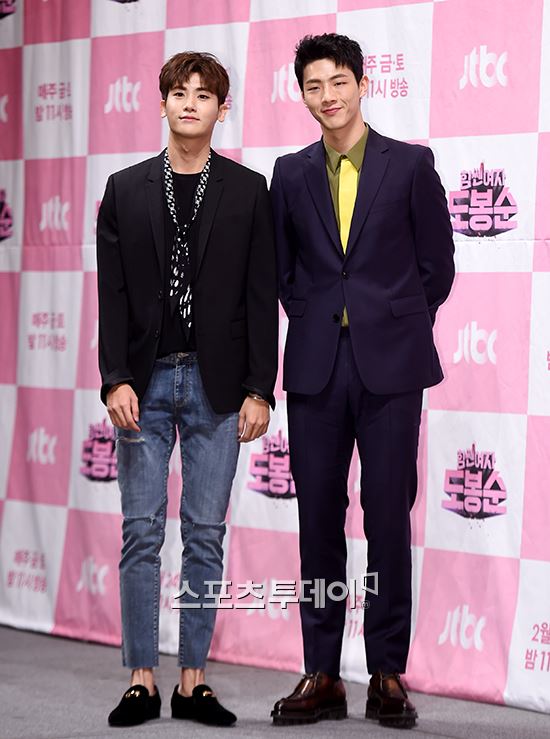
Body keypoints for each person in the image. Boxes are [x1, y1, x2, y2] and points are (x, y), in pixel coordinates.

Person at [270, 33, 454, 729]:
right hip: (316, 367)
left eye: (338, 81)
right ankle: (322, 671)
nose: (328, 96)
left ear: (362, 83)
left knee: (386, 518)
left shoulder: (409, 164)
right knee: (317, 518)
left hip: (392, 367)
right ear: (303, 94)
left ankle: (386, 672)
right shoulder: (289, 174)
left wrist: (390, 320)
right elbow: (284, 271)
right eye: (314, 85)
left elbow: (437, 266)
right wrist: (319, 316)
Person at [97, 51, 278, 728]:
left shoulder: (248, 189)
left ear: (221, 109)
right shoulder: (124, 188)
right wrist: (114, 376)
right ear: (163, 104)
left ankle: (193, 680)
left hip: (218, 382)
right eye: (179, 93)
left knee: (205, 533)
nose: (191, 103)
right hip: (142, 381)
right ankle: (142, 680)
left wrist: (260, 387)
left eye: (204, 94)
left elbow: (261, 296)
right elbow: (112, 295)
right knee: (141, 531)